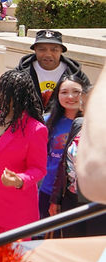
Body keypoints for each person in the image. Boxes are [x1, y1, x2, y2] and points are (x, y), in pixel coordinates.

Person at [0, 69, 48, 233]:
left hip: (13, 214)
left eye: (0, 89)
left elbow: (39, 169)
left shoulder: (35, 129)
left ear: (15, 96)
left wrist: (19, 180)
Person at [49, 76, 106, 236]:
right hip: (71, 200)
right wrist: (56, 198)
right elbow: (63, 165)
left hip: (98, 205)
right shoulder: (78, 124)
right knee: (70, 247)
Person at [39, 74, 86, 219]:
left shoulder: (91, 124)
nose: (70, 97)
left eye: (76, 92)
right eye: (64, 92)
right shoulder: (47, 121)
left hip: (76, 194)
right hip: (46, 188)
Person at [16, 29, 90, 110]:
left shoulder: (76, 75)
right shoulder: (20, 73)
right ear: (35, 49)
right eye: (42, 49)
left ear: (61, 51)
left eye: (54, 50)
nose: (48, 54)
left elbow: (89, 102)